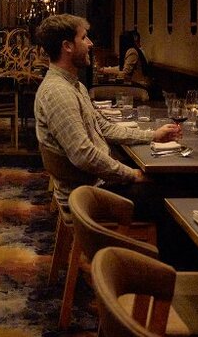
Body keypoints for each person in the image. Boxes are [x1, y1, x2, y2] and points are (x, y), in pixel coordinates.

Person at [34, 14, 181, 208]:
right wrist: (131, 174)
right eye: (84, 37)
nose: (90, 43)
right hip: (88, 195)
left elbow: (103, 127)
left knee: (169, 184)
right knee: (175, 193)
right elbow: (83, 154)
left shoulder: (74, 86)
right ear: (67, 46)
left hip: (95, 185)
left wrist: (153, 135)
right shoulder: (59, 92)